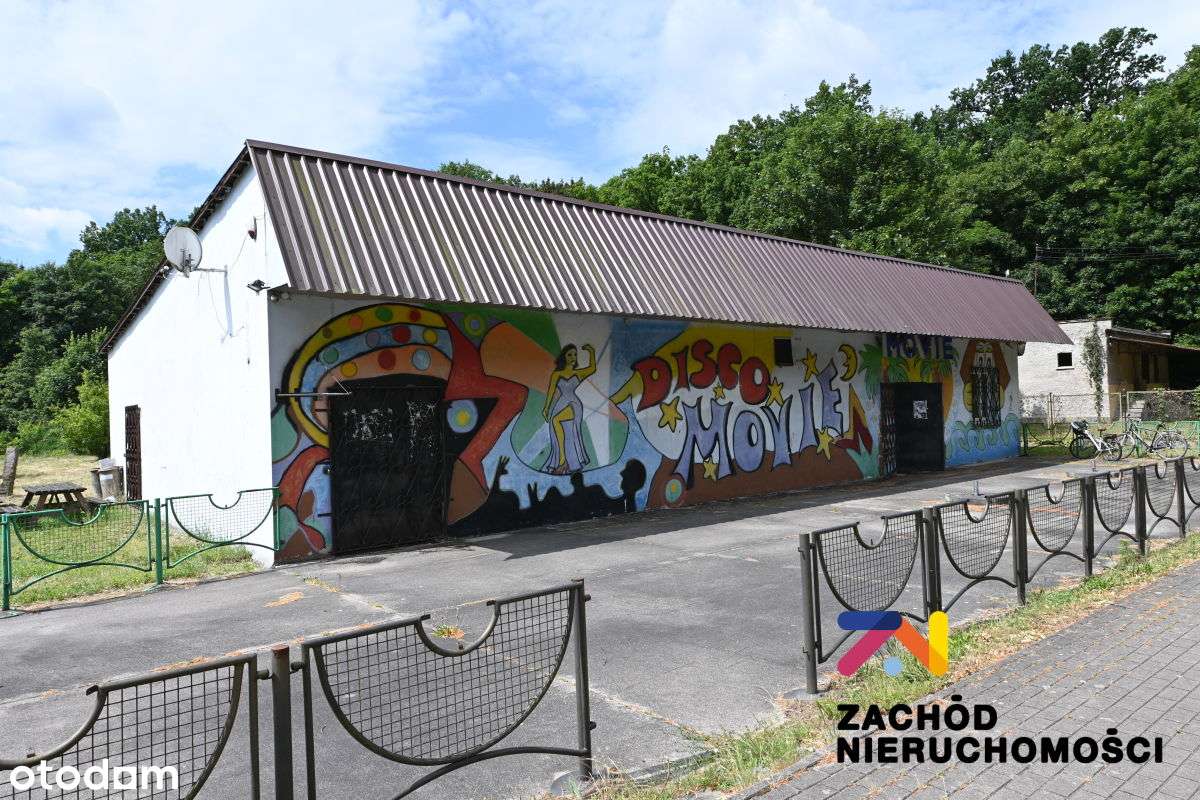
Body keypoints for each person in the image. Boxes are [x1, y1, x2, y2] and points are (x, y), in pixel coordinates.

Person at [542, 343, 596, 474]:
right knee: (558, 428)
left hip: (573, 404)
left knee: (556, 420)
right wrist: (546, 408)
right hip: (561, 404)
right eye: (570, 354)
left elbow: (592, 368)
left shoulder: (578, 373)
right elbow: (551, 391)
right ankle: (565, 462)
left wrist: (591, 351)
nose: (573, 357)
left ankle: (562, 461)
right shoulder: (557, 374)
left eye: (575, 355)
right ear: (564, 357)